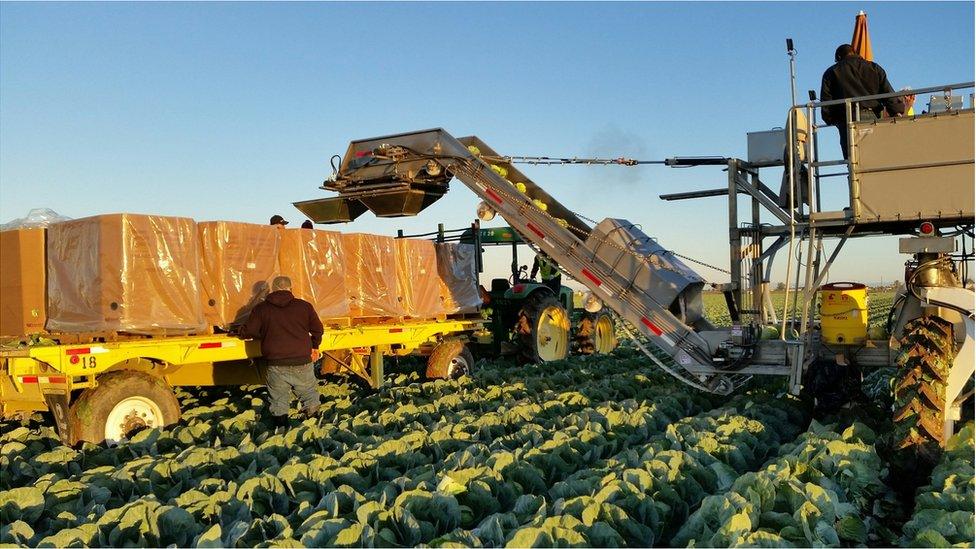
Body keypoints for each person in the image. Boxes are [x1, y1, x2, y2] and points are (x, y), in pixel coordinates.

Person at [241, 276, 324, 426]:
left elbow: (249, 331)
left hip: (276, 364)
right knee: (309, 394)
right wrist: (315, 346)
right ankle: (314, 427)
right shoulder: (304, 306)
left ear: (272, 290)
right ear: (291, 288)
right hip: (302, 361)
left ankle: (281, 429)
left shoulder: (261, 309)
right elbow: (318, 329)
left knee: (278, 399)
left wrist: (261, 333)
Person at [820, 44, 905, 159]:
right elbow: (888, 93)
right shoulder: (874, 68)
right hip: (872, 117)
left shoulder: (831, 72)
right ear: (855, 53)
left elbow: (826, 103)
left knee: (853, 163)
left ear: (839, 57)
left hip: (846, 119)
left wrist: (831, 120)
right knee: (875, 158)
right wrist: (896, 111)